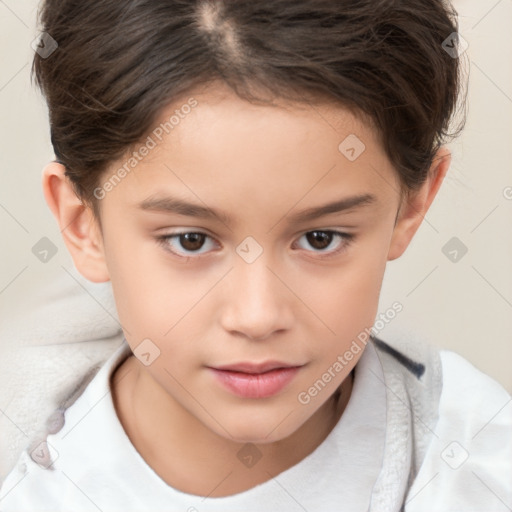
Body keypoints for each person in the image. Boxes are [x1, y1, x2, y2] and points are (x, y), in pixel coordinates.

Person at [1, 0, 510, 510]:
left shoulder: (484, 473)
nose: (257, 317)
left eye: (320, 239)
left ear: (412, 205)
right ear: (82, 223)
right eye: (190, 240)